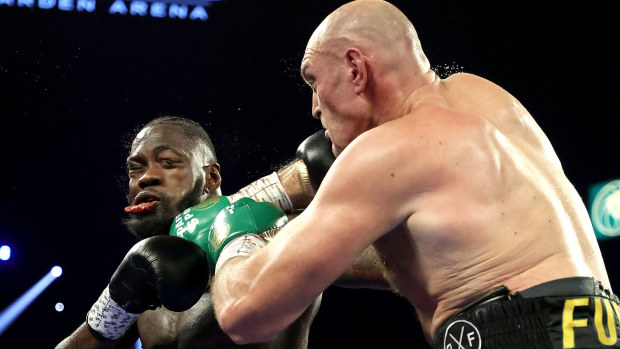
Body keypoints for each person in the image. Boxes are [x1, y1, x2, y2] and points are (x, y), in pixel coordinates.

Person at [208, 1, 620, 348]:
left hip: (513, 329)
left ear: (355, 68)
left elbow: (245, 313)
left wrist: (232, 236)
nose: (315, 107)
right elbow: (418, 256)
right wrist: (288, 239)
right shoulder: (483, 96)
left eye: (314, 81)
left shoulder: (389, 149)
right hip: (599, 326)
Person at [55, 116, 382, 348]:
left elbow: (390, 265)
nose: (145, 178)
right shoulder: (148, 272)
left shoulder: (268, 228)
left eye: (168, 162)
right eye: (135, 168)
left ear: (212, 178)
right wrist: (115, 303)